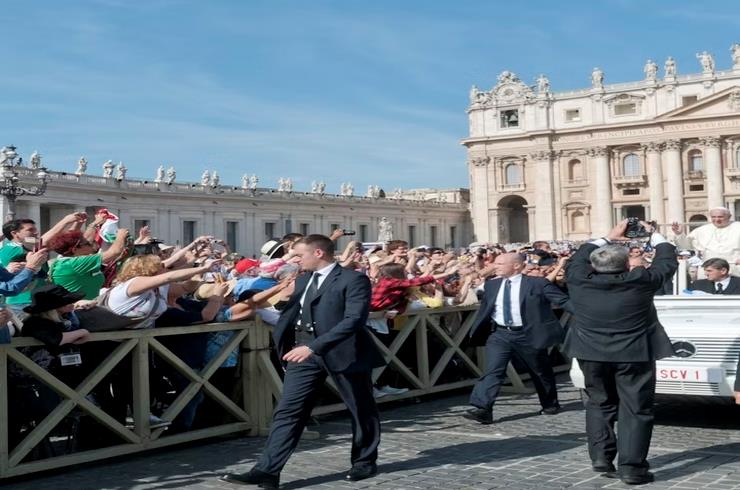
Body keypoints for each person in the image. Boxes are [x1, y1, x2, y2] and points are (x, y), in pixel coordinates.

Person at [220, 234, 383, 489]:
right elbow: (289, 311)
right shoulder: (303, 278)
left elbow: (354, 320)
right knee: (288, 410)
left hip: (342, 351)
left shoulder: (353, 279)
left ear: (318, 253)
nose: (295, 259)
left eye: (299, 254)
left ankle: (364, 460)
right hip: (302, 351)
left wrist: (314, 346)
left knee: (360, 408)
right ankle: (268, 470)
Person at [564, 219, 677, 486]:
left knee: (598, 402)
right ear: (627, 265)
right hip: (633, 353)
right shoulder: (640, 279)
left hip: (590, 351)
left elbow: (579, 257)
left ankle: (601, 457)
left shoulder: (578, 278)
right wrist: (655, 235)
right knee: (636, 409)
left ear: (594, 265)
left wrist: (607, 237)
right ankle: (631, 468)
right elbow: (667, 262)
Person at [463, 252, 572, 425]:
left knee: (540, 370)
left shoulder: (537, 283)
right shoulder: (492, 284)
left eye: (500, 264)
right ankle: (483, 408)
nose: (494, 266)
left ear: (516, 266)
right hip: (500, 334)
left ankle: (550, 403)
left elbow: (564, 301)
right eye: (495, 263)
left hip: (527, 333)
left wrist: (590, 315)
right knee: (493, 370)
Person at [672, 207, 740, 276]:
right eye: (713, 217)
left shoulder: (737, 227)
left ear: (729, 217)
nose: (717, 219)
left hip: (735, 268)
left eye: (720, 217)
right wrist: (679, 234)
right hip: (710, 269)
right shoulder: (702, 230)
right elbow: (686, 246)